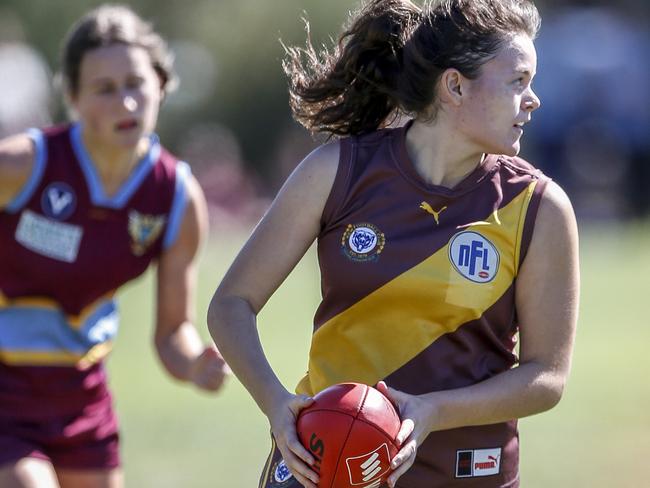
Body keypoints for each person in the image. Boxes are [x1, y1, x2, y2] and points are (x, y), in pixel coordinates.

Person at [207, 0, 579, 486]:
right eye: (518, 81)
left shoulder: (539, 206)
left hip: (463, 471)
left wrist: (432, 412)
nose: (533, 100)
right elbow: (231, 304)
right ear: (454, 86)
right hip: (324, 464)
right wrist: (278, 406)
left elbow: (546, 378)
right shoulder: (337, 172)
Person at [0, 5, 229, 487]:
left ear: (161, 86)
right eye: (104, 89)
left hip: (81, 398)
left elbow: (172, 333)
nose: (125, 104)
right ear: (74, 99)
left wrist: (196, 364)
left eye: (135, 85)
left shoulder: (176, 197)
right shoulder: (23, 166)